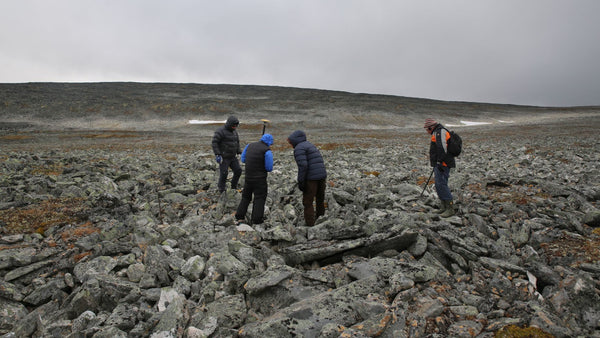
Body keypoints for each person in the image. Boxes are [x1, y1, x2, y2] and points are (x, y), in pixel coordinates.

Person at [287, 130, 327, 227]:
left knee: (307, 202)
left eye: (290, 142)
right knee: (320, 199)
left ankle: (310, 226)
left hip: (311, 178)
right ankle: (321, 220)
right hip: (322, 176)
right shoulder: (310, 145)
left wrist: (301, 182)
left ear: (294, 141)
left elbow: (303, 166)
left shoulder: (299, 148)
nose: (290, 144)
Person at [235, 133, 274, 225]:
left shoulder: (249, 145)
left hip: (248, 177)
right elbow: (269, 168)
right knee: (259, 198)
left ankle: (239, 216)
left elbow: (243, 159)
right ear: (269, 142)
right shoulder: (267, 151)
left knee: (245, 197)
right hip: (260, 180)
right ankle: (256, 220)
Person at [424, 118, 456, 217]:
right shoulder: (437, 132)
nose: (427, 131)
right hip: (440, 163)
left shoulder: (440, 132)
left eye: (427, 129)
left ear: (431, 127)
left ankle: (450, 209)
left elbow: (442, 148)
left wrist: (440, 161)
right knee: (439, 185)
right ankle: (443, 207)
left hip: (443, 164)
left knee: (442, 184)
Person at [212, 116, 243, 193]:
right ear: (229, 124)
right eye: (233, 125)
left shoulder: (235, 132)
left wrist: (239, 152)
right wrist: (218, 154)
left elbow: (237, 142)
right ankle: (221, 189)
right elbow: (214, 143)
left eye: (236, 126)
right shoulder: (220, 131)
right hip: (224, 157)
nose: (235, 127)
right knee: (224, 173)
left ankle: (233, 187)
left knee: (238, 170)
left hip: (232, 157)